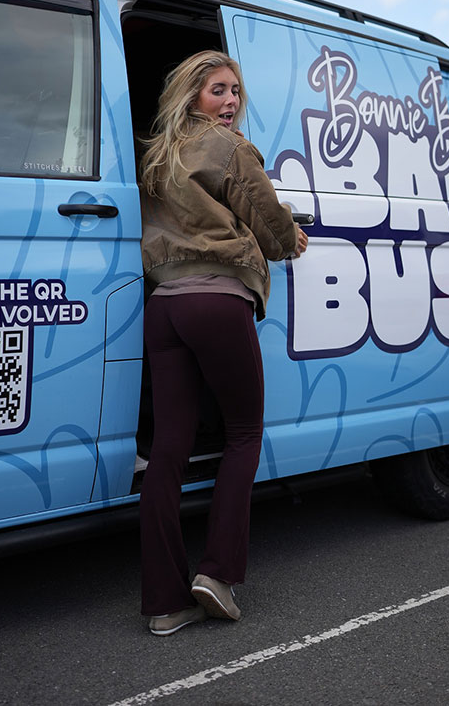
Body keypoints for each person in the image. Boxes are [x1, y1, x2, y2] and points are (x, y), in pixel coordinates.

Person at [139, 50, 308, 636]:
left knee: (168, 450)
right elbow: (270, 224)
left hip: (163, 308)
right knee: (244, 434)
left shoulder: (156, 155)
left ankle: (164, 604)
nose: (231, 101)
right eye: (218, 90)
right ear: (193, 96)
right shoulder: (228, 147)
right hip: (216, 300)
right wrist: (291, 236)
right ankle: (217, 574)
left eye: (236, 91)